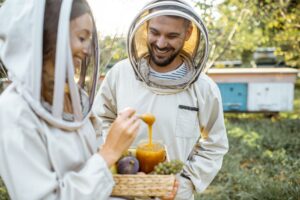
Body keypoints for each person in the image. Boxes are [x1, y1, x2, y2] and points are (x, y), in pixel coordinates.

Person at [0, 0, 141, 199]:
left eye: (89, 40)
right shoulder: (14, 111)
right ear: (48, 36)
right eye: (82, 38)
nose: (88, 50)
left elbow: (97, 182)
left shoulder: (76, 99)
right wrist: (109, 152)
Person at [93, 0, 229, 199]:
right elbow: (98, 121)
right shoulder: (120, 74)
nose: (161, 43)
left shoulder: (204, 88)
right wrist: (112, 156)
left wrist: (187, 181)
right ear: (145, 27)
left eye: (172, 36)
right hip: (118, 191)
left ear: (189, 33)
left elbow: (215, 144)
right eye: (155, 32)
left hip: (173, 194)